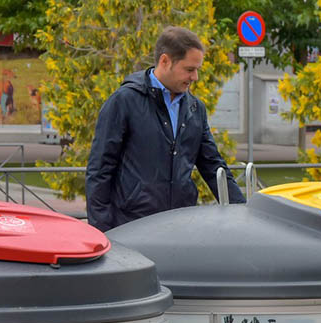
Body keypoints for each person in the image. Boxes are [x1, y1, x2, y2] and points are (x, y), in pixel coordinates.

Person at [86, 26, 244, 232]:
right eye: (189, 69)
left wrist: (243, 212)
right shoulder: (124, 101)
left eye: (197, 69)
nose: (195, 77)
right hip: (131, 227)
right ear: (165, 61)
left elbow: (213, 166)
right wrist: (102, 231)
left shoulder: (195, 109)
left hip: (180, 226)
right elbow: (100, 170)